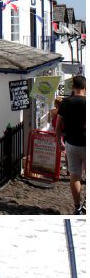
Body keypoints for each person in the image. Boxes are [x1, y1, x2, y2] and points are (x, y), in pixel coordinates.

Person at [56, 76, 86, 214]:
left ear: (73, 87)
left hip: (72, 143)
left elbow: (58, 126)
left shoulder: (66, 103)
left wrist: (58, 141)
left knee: (74, 176)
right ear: (85, 87)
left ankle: (77, 207)